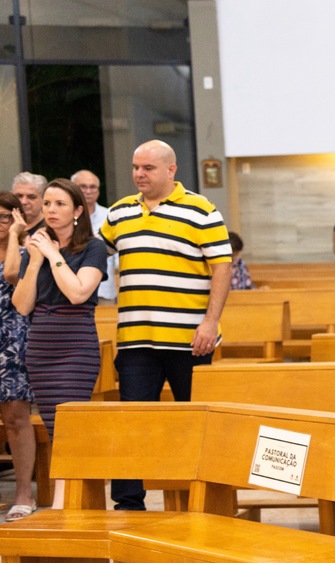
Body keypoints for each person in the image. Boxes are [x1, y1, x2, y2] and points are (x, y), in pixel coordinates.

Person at [100, 140, 232, 511]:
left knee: (196, 423)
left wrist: (211, 322)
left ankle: (202, 503)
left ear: (171, 170)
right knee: (132, 423)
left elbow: (222, 268)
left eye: (148, 168)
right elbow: (90, 252)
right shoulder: (119, 213)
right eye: (135, 167)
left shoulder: (201, 210)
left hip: (190, 339)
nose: (139, 174)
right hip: (136, 340)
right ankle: (128, 504)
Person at [9, 180, 106, 509]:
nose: (51, 210)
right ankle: (70, 504)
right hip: (41, 345)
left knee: (69, 427)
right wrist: (36, 260)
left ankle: (66, 506)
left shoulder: (92, 248)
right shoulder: (36, 249)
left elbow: (78, 293)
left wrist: (52, 255)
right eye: (47, 204)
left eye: (60, 204)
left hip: (75, 343)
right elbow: (22, 305)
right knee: (54, 427)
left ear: (77, 211)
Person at [0, 192, 37, 521]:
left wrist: (15, 235)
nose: (1, 223)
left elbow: (12, 274)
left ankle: (24, 493)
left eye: (6, 217)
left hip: (13, 339)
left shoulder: (28, 252)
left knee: (15, 418)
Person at [72, 169, 120, 302]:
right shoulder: (64, 216)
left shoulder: (110, 216)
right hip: (72, 291)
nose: (88, 191)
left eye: (92, 187)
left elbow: (118, 259)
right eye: (83, 186)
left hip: (104, 292)